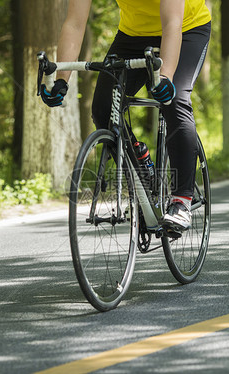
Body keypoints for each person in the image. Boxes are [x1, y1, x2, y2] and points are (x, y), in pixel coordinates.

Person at [40, 0, 211, 232]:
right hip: (133, 36)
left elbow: (172, 23)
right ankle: (142, 167)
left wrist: (166, 77)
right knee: (103, 109)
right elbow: (74, 23)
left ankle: (181, 201)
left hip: (186, 29)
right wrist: (61, 79)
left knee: (175, 100)